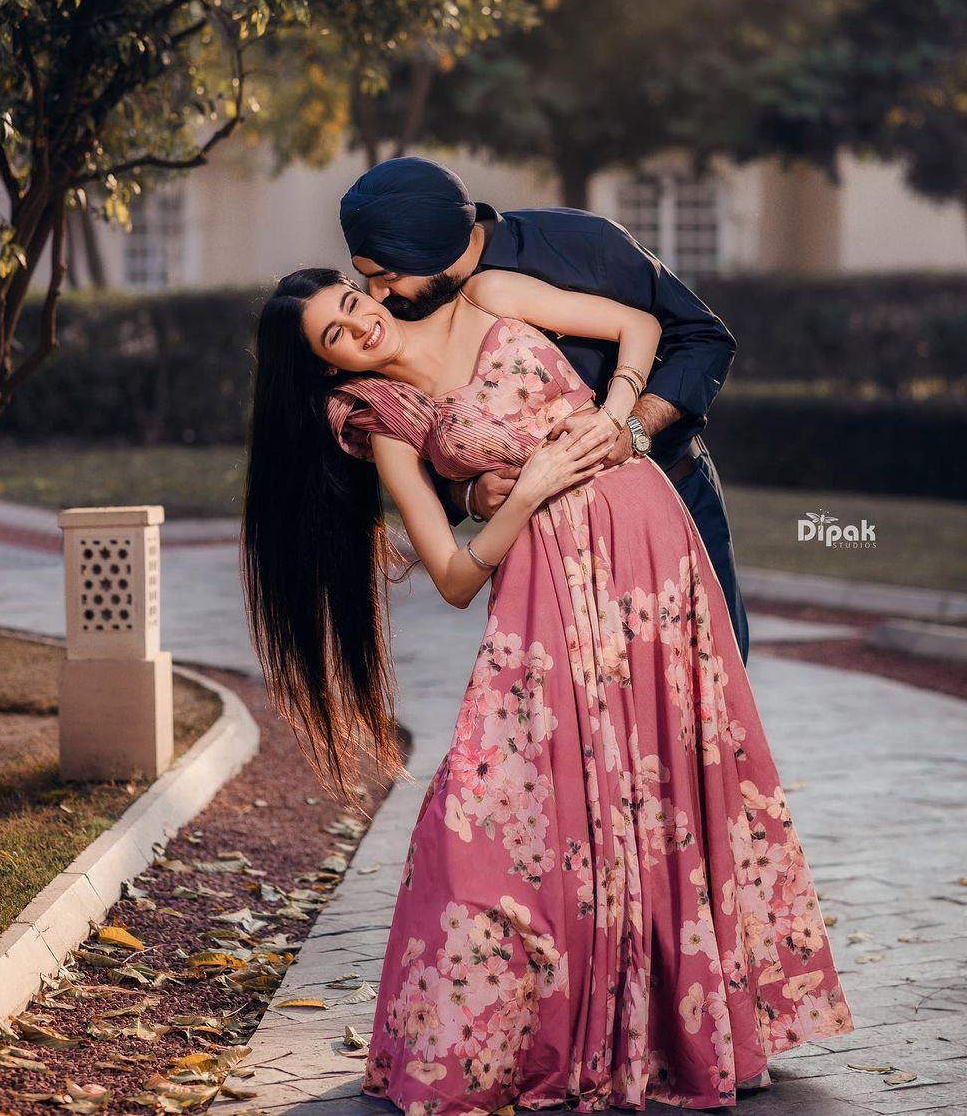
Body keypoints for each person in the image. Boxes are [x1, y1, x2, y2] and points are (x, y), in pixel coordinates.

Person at [240, 266, 853, 1114]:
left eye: (351, 305)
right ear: (329, 369)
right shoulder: (386, 422)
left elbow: (638, 323)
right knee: (495, 803)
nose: (358, 327)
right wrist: (524, 492)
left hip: (648, 543)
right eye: (334, 337)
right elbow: (454, 575)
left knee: (670, 778)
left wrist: (617, 423)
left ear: (367, 288)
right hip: (540, 587)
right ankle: (513, 1036)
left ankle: (688, 1028)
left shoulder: (486, 295)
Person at [339, 154, 750, 663]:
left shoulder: (585, 245)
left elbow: (702, 337)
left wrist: (631, 427)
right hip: (555, 550)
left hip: (670, 490)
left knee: (708, 694)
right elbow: (426, 440)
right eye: (367, 278)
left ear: (434, 248)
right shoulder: (404, 314)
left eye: (386, 275)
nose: (377, 294)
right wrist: (468, 494)